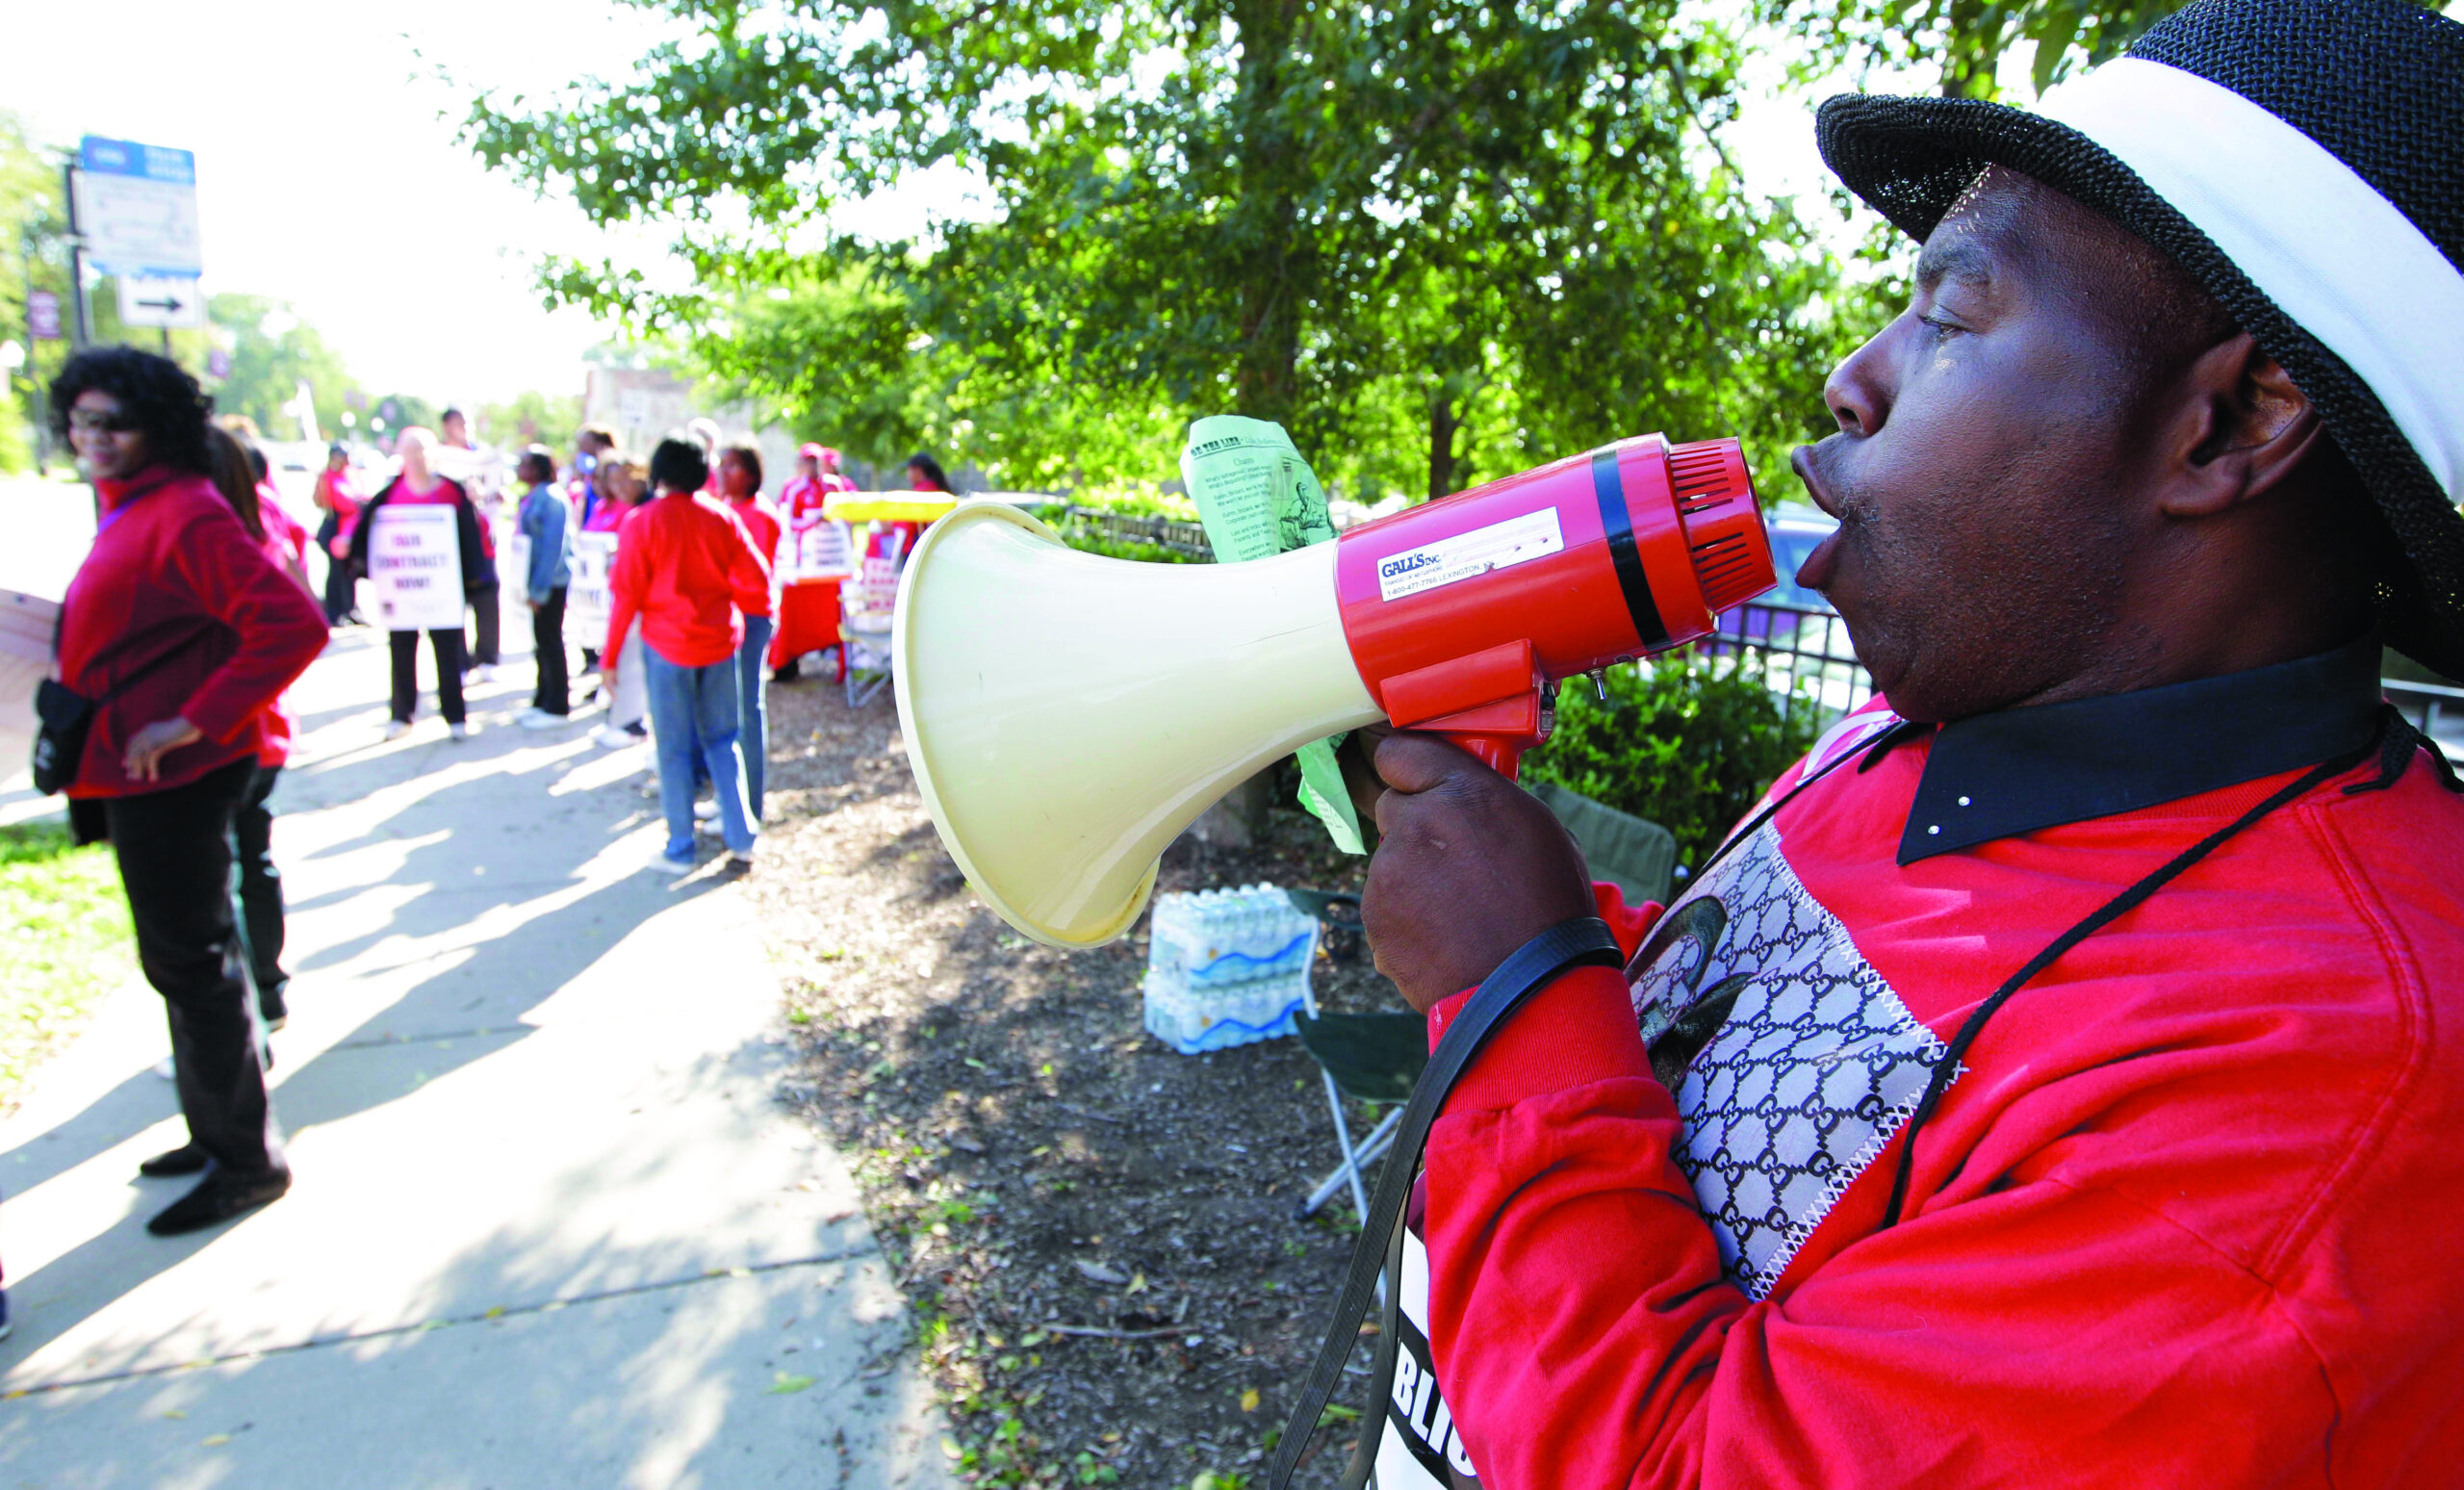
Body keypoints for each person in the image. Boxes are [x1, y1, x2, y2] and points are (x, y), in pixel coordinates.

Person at [1340, 5, 2464, 1487]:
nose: (1850, 380)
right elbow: (1734, 1066)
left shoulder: (2328, 1077)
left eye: (1949, 313)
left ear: (2232, 423)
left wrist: (1512, 987)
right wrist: (1524, 907)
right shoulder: (1911, 735)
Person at [46, 347, 326, 1237]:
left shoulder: (183, 511)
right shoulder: (138, 501)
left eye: (113, 422)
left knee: (195, 964)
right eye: (81, 421)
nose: (93, 437)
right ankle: (218, 1137)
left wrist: (191, 721)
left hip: (178, 773)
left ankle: (245, 1161)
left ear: (157, 427)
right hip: (138, 768)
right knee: (185, 962)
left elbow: (291, 624)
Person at [603, 438, 767, 873]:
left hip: (667, 648)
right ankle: (742, 836)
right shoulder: (721, 518)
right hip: (717, 644)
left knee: (673, 749)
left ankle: (680, 847)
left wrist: (610, 657)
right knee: (722, 740)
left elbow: (626, 597)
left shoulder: (641, 522)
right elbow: (757, 578)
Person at [207, 425, 321, 1030]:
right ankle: (265, 995)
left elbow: (304, 623)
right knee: (252, 859)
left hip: (229, 734)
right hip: (263, 726)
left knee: (223, 872)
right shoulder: (265, 527)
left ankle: (246, 1009)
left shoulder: (218, 541)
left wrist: (196, 715)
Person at [348, 427, 490, 741]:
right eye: (408, 451)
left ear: (432, 454)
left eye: (420, 451)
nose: (414, 458)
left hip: (442, 590)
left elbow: (469, 540)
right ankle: (402, 715)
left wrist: (471, 580)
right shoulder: (388, 495)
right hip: (402, 591)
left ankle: (455, 716)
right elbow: (365, 537)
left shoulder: (452, 493)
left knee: (449, 652)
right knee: (400, 650)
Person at [717, 440, 781, 819]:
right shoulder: (729, 509)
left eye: (733, 466)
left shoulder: (757, 514)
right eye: (721, 464)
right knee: (729, 711)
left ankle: (750, 806)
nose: (724, 472)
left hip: (750, 617)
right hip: (731, 618)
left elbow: (752, 577)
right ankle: (731, 798)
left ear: (751, 473)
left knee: (747, 710)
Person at [439, 407, 502, 681]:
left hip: (483, 541)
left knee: (487, 599)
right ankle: (460, 662)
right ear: (446, 426)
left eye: (467, 421)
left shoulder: (482, 456)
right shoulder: (438, 459)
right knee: (454, 602)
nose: (464, 426)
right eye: (458, 422)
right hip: (451, 543)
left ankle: (487, 658)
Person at [514, 446, 574, 729]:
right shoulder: (533, 497)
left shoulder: (551, 499)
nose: (519, 469)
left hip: (550, 583)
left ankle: (557, 705)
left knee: (550, 641)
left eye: (525, 464)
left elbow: (552, 549)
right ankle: (542, 698)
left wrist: (539, 590)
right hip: (536, 582)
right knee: (541, 643)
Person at [309, 444, 363, 624]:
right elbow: (321, 501)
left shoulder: (351, 474)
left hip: (350, 526)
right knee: (336, 571)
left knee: (350, 571)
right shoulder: (326, 477)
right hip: (335, 527)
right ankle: (334, 611)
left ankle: (351, 608)